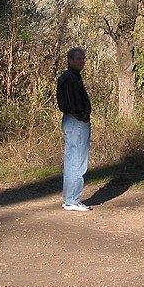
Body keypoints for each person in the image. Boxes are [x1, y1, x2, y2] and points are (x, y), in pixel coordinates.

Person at [56, 46, 92, 212]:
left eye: (83, 59)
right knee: (77, 161)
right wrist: (82, 115)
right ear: (70, 60)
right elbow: (69, 104)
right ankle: (72, 200)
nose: (81, 62)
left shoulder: (72, 77)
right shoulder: (69, 78)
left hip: (73, 121)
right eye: (78, 59)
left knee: (72, 160)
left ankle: (69, 199)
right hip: (76, 121)